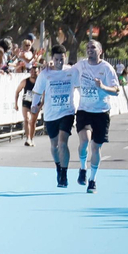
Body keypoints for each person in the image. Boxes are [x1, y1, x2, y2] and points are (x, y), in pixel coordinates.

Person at [71, 39, 121, 193]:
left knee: (96, 147)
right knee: (84, 141)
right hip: (84, 110)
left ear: (100, 51)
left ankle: (92, 180)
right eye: (88, 47)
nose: (90, 49)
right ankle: (82, 168)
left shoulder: (106, 68)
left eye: (93, 47)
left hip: (101, 112)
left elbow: (116, 90)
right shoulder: (81, 65)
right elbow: (67, 72)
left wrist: (103, 86)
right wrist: (52, 66)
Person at [33, 46, 78, 187]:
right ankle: (58, 166)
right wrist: (34, 105)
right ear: (52, 58)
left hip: (67, 112)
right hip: (51, 114)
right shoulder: (45, 74)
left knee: (63, 142)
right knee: (54, 145)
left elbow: (81, 85)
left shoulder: (71, 71)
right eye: (56, 59)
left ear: (65, 57)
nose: (59, 62)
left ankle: (64, 174)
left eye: (61, 59)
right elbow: (37, 91)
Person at [15, 67, 39, 146]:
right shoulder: (25, 81)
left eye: (35, 72)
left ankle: (32, 138)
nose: (33, 73)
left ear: (38, 72)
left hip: (36, 104)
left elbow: (45, 93)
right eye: (31, 71)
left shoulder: (40, 82)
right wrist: (16, 104)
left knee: (33, 122)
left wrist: (42, 104)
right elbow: (17, 91)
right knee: (27, 119)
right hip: (26, 103)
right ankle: (28, 138)